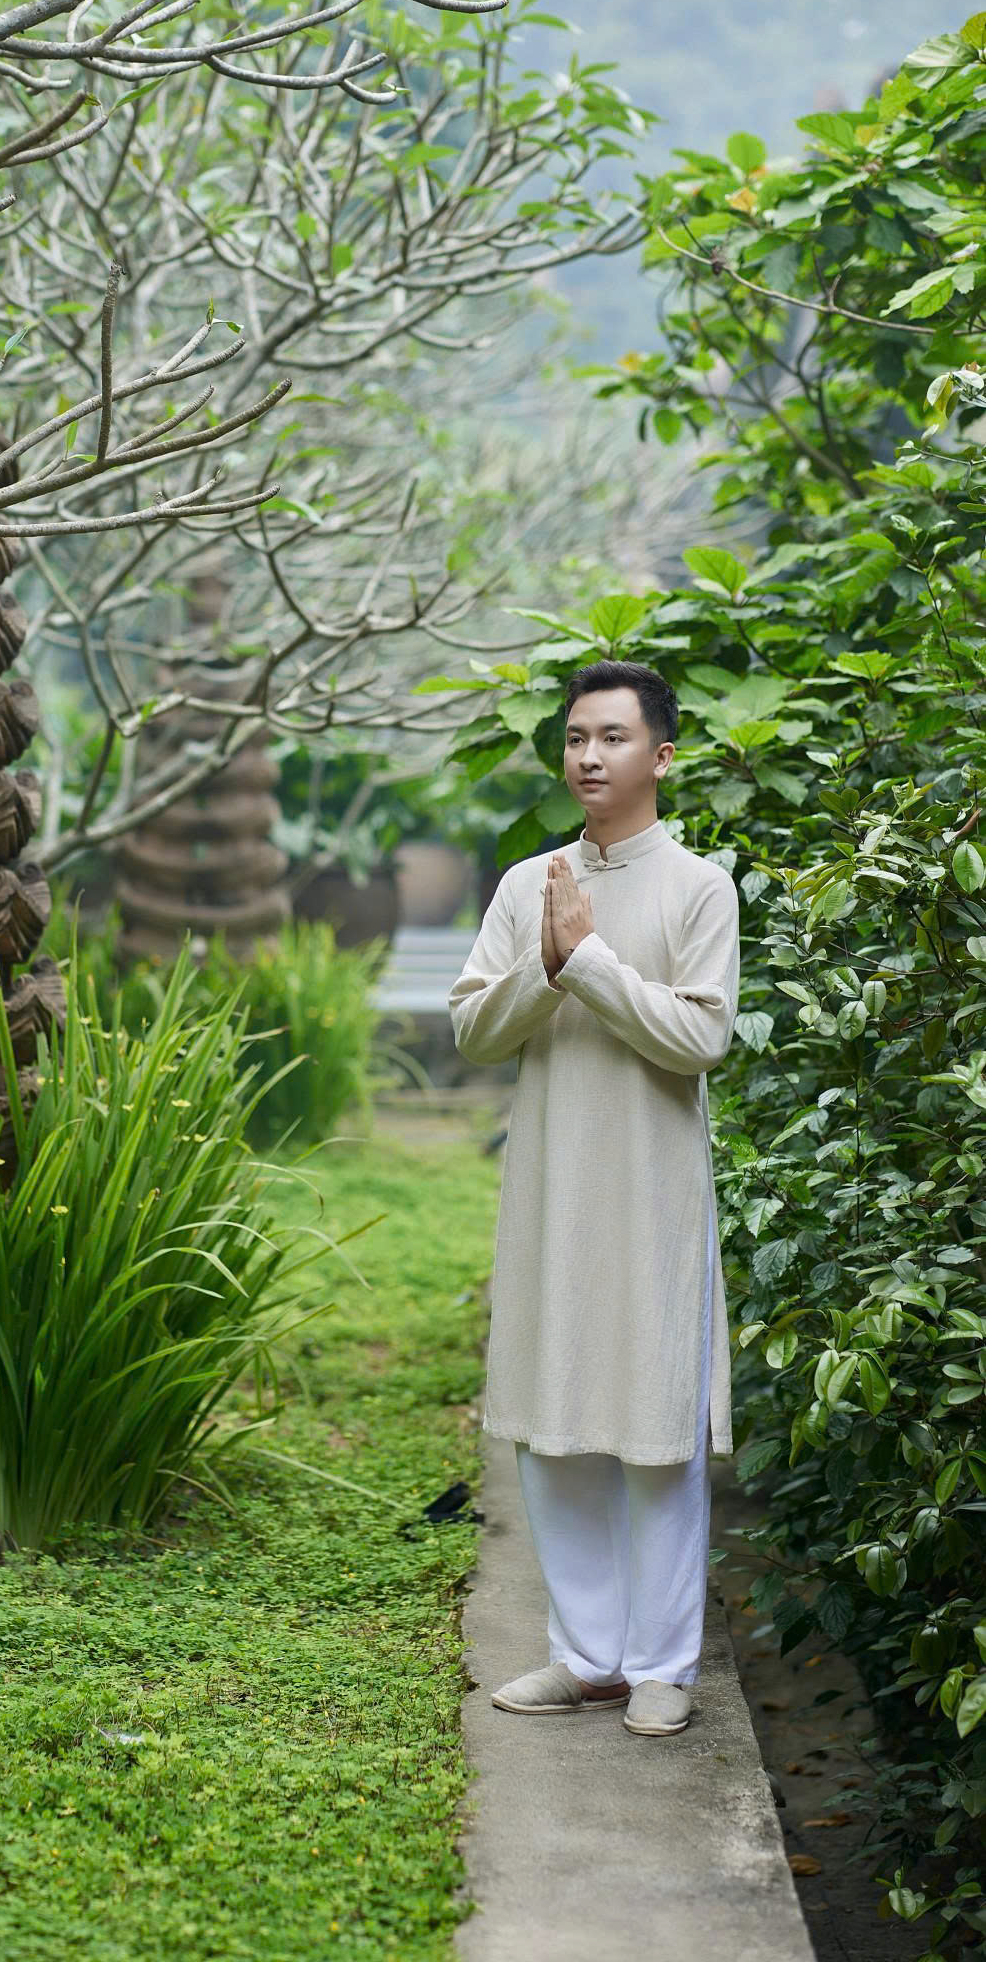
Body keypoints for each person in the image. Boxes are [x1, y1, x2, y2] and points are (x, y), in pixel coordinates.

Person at [447, 659, 740, 1738]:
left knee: (654, 1427)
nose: (588, 756)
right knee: (555, 1420)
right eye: (576, 736)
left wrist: (592, 961)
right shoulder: (528, 883)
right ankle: (587, 1655)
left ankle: (662, 1666)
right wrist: (547, 962)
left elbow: (698, 1036)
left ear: (661, 755)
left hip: (654, 1193)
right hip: (552, 1188)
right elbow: (474, 1028)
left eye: (612, 737)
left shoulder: (700, 886)